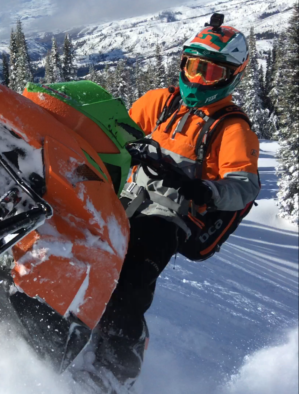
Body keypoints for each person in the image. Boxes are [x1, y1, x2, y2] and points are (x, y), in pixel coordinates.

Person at [84, 14, 261, 390]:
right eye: (194, 67)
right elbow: (116, 132)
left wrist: (206, 191)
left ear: (230, 76)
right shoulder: (161, 102)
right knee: (78, 234)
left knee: (130, 277)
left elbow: (245, 185)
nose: (198, 79)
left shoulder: (231, 126)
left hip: (172, 216)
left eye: (211, 73)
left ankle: (113, 373)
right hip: (127, 196)